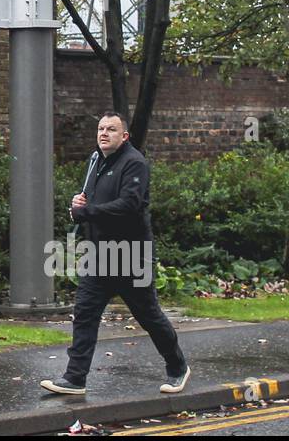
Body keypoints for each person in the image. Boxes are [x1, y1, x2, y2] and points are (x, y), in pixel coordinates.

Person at [40, 111, 190, 395]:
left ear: (125, 136)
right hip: (98, 254)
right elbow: (88, 202)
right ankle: (75, 378)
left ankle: (177, 367)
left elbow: (128, 205)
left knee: (148, 315)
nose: (104, 133)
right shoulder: (96, 160)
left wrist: (88, 212)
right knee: (85, 312)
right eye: (100, 128)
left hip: (131, 254)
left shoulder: (135, 163)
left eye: (111, 129)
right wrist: (78, 205)